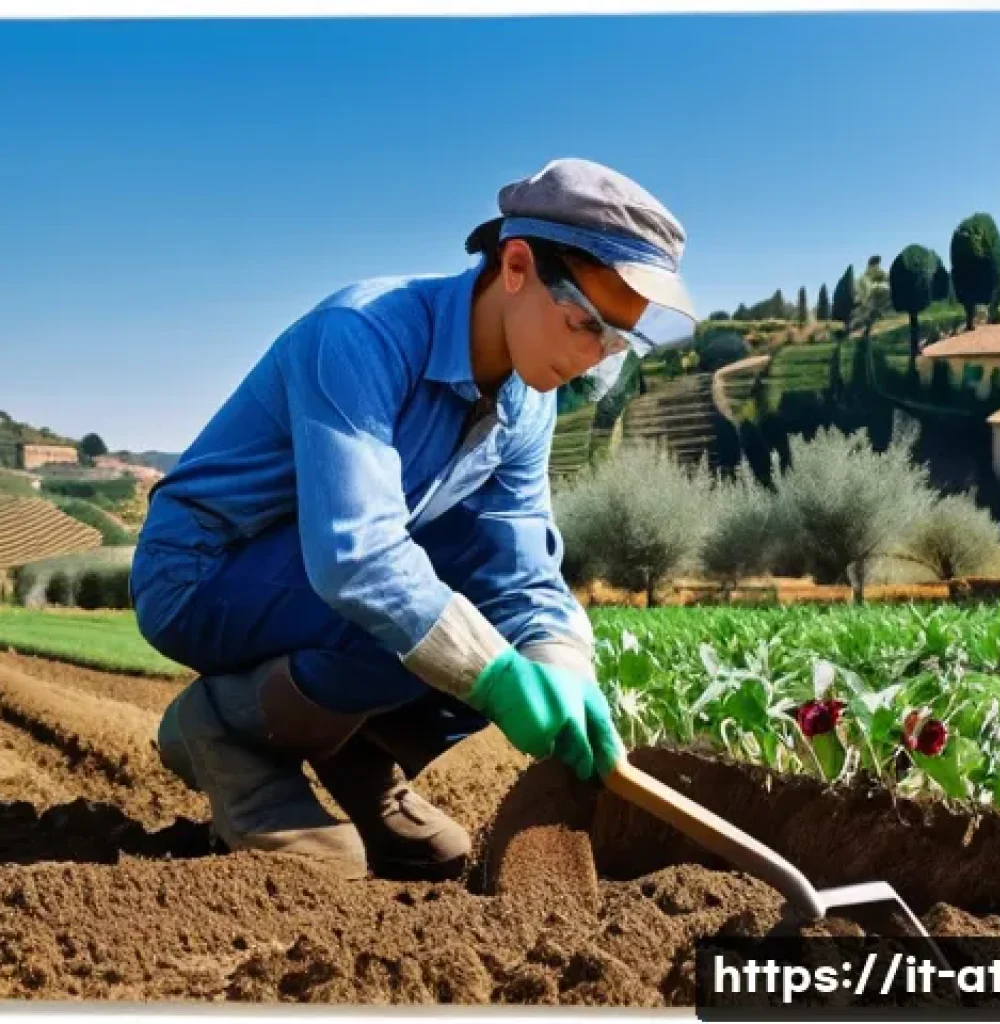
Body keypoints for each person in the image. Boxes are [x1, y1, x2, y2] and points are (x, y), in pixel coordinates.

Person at [130, 157, 697, 881]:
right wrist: (494, 675)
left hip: (304, 583)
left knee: (497, 613)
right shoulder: (360, 333)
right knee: (443, 618)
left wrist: (561, 660)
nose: (593, 359)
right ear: (516, 265)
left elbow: (519, 566)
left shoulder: (528, 400)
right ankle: (228, 736)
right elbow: (357, 555)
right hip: (205, 573)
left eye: (617, 344)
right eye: (587, 325)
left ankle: (362, 759)